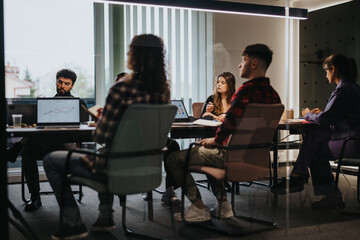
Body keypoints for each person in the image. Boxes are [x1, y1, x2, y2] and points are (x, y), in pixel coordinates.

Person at [43, 34, 170, 240]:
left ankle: (73, 223)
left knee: (51, 160)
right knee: (106, 154)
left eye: (130, 50)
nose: (128, 53)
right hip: (148, 168)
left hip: (115, 168)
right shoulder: (163, 92)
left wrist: (103, 118)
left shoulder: (121, 88)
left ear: (135, 56)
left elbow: (101, 136)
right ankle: (105, 218)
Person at [166, 43, 281, 222]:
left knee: (174, 158)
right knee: (209, 155)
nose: (239, 65)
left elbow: (229, 124)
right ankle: (223, 205)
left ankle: (198, 207)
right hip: (256, 159)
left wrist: (215, 140)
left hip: (231, 156)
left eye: (243, 60)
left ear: (254, 64)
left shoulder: (245, 92)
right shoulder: (274, 96)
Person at [272, 54, 360, 210]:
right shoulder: (353, 88)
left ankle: (304, 179)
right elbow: (337, 116)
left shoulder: (343, 90)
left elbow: (325, 119)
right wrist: (320, 115)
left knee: (314, 150)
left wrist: (308, 114)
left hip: (352, 142)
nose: (326, 75)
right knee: (314, 139)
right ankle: (299, 176)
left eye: (326, 71)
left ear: (333, 69)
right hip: (352, 137)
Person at [6, 69, 88, 212]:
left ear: (72, 86)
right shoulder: (46, 104)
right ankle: (35, 197)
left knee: (28, 143)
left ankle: (15, 149)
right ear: (56, 82)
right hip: (45, 143)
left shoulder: (79, 103)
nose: (62, 86)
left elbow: (84, 125)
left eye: (67, 84)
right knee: (28, 152)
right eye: (60, 82)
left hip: (65, 144)